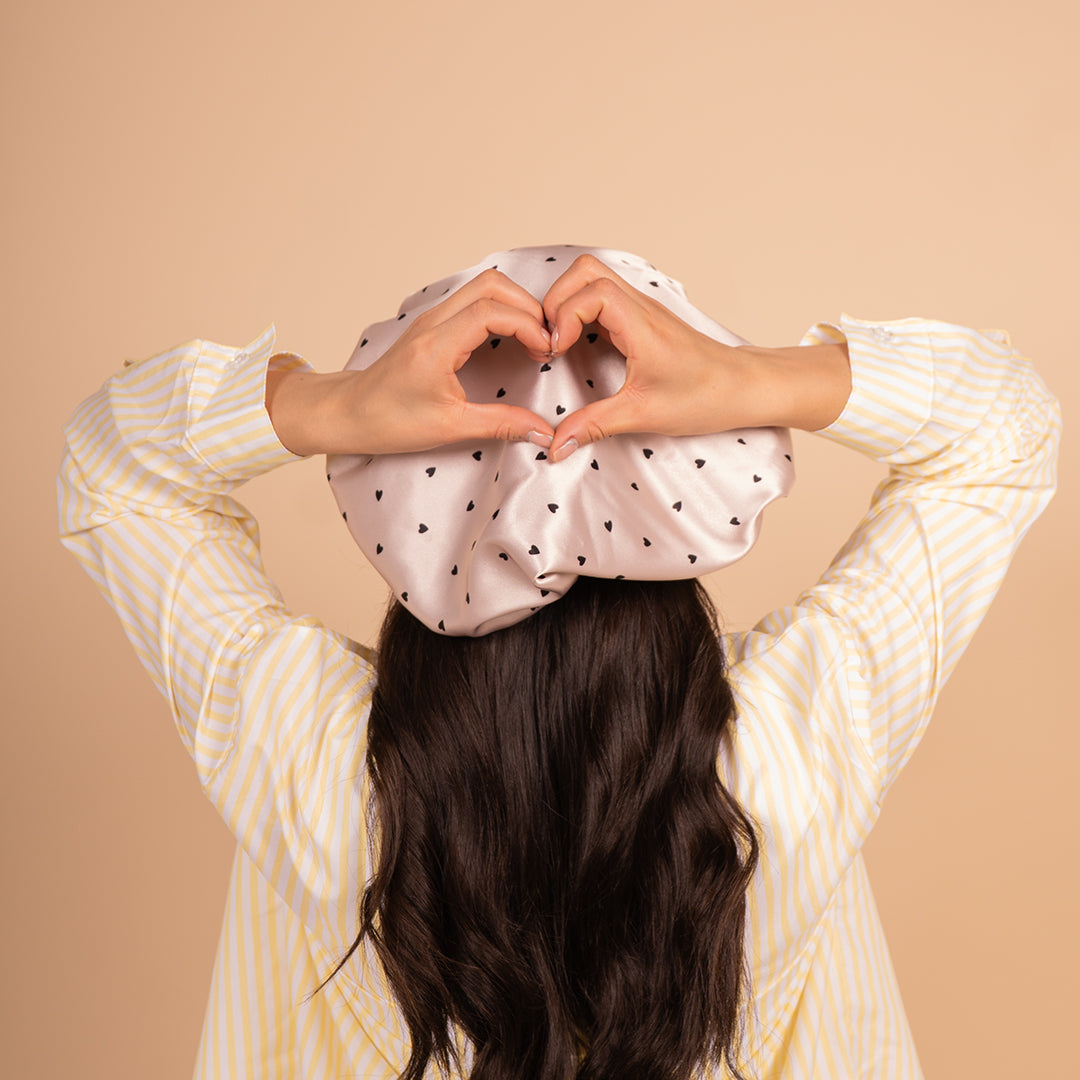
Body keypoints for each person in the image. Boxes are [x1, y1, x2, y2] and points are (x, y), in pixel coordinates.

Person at [57, 247, 1060, 1080]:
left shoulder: (308, 757)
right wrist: (744, 378)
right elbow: (1001, 432)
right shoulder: (796, 746)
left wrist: (336, 404)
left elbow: (112, 469)